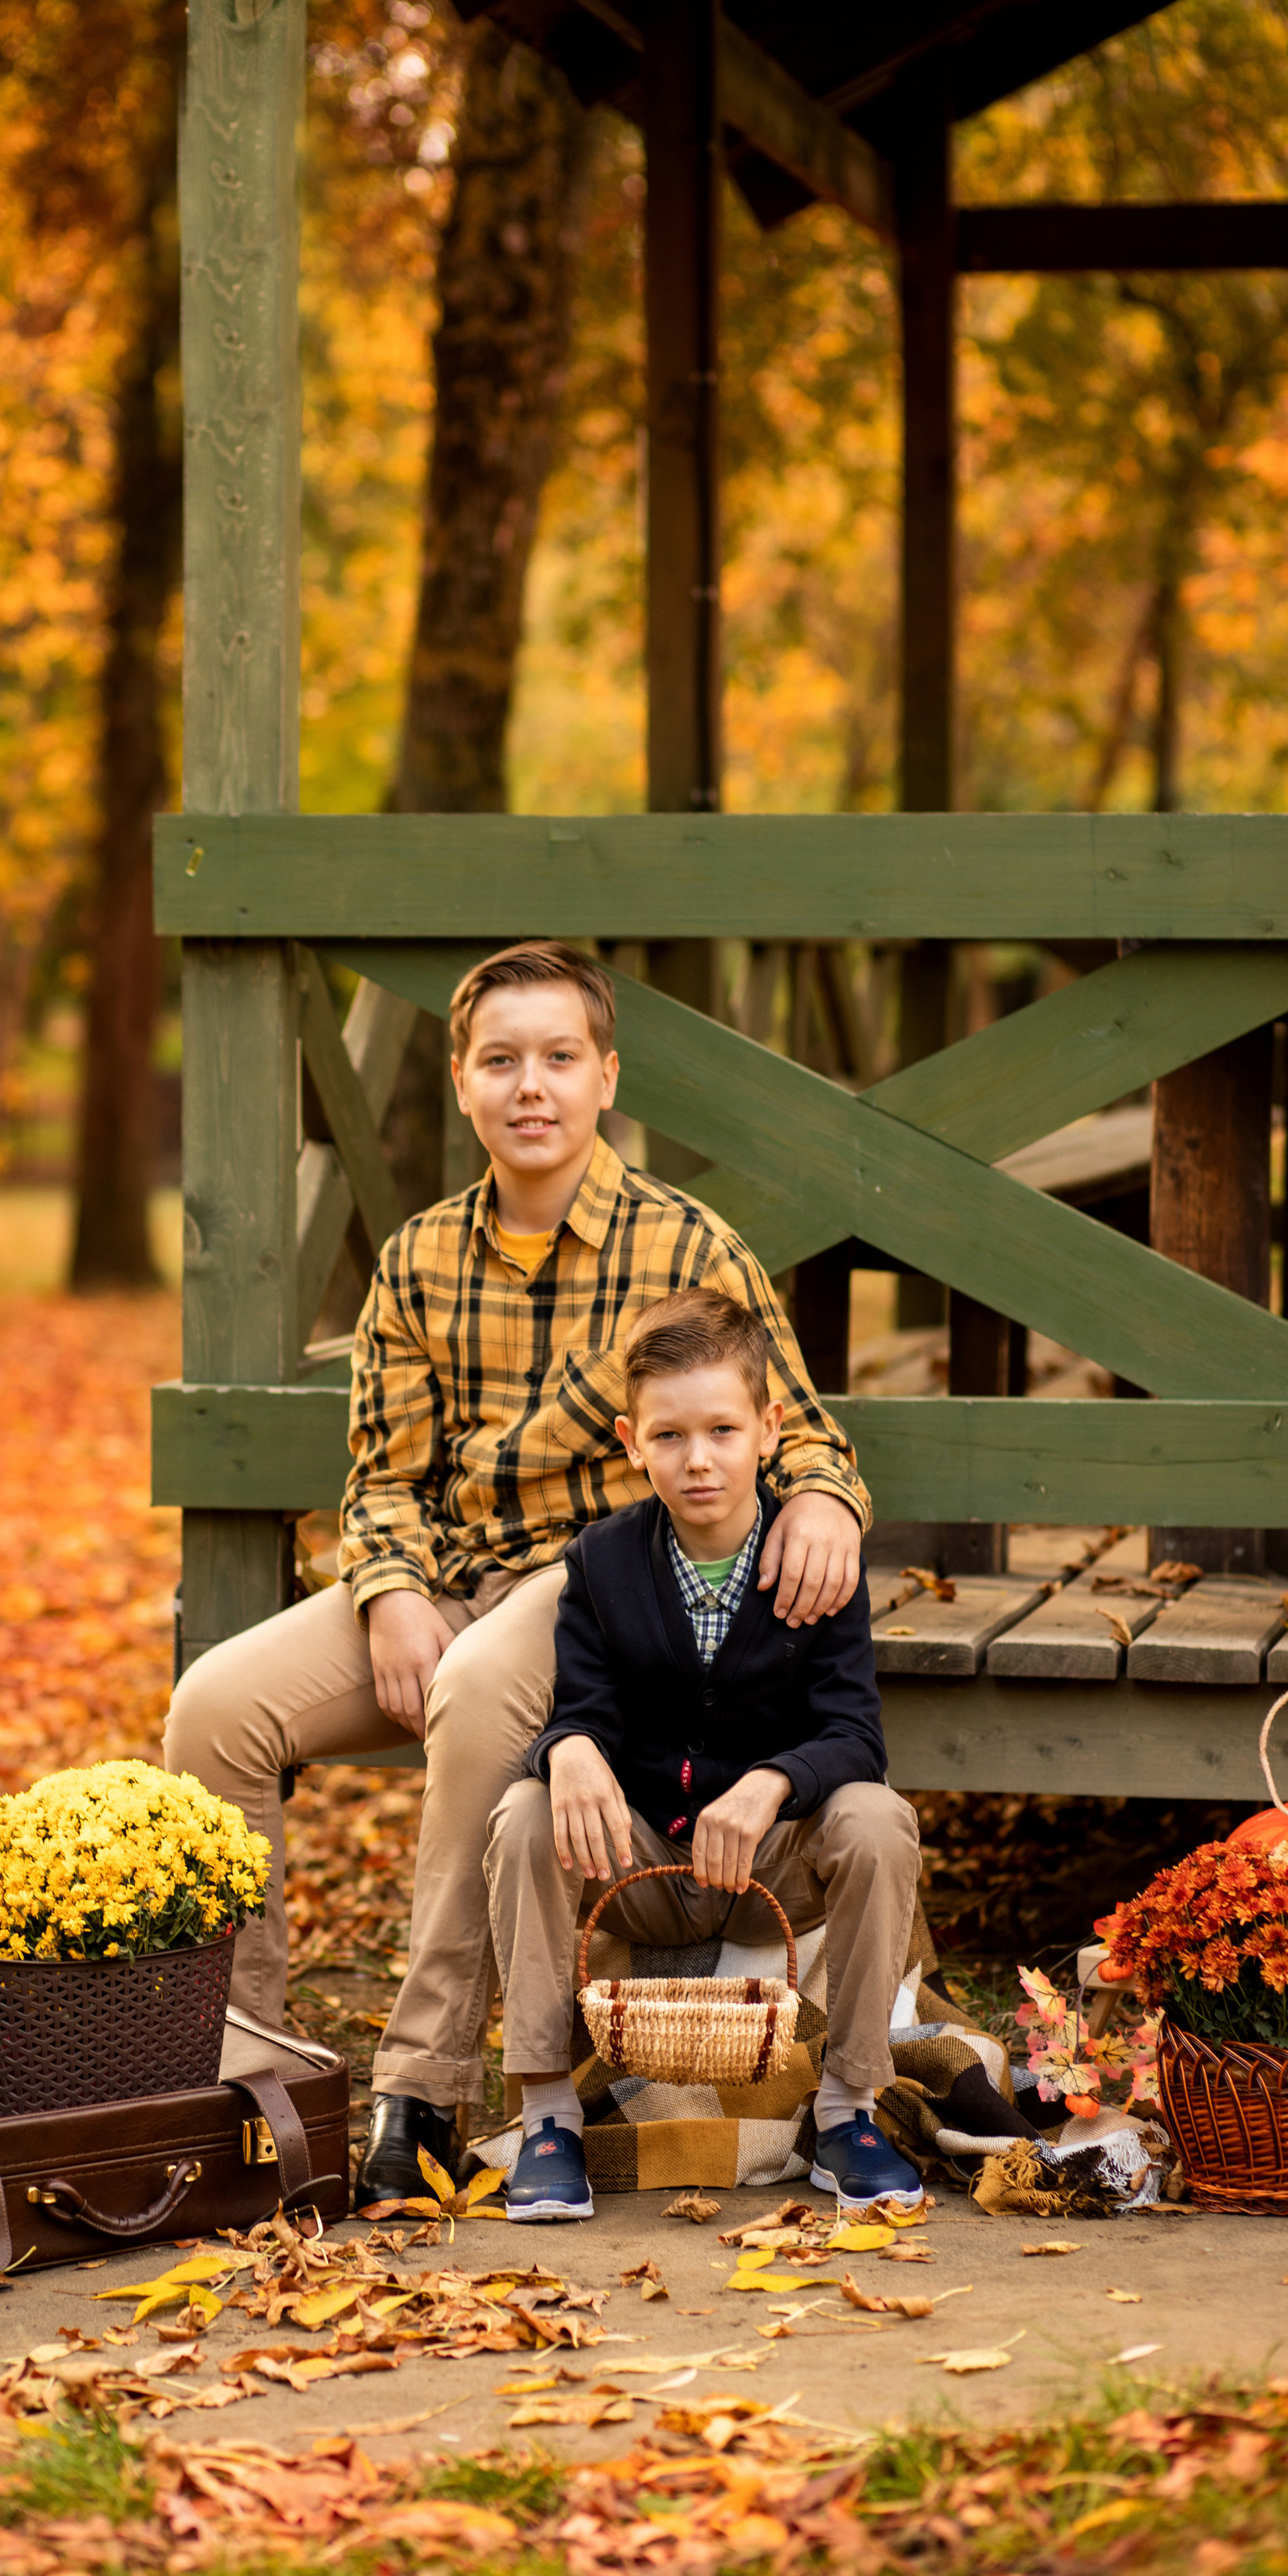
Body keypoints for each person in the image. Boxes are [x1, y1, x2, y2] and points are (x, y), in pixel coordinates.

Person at [164, 940, 872, 2209]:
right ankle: (246, 2070)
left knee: (485, 1683)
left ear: (607, 1077)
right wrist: (386, 1591)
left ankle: (422, 2087)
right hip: (438, 1574)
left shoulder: (687, 1246)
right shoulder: (419, 1260)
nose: (529, 1086)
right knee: (215, 1707)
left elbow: (799, 1425)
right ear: (460, 1081)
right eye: (502, 1061)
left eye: (558, 1058)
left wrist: (823, 1498)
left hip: (599, 1586)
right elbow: (382, 1476)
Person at [484, 1287, 923, 2224]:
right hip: (642, 1865)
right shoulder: (601, 1563)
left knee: (879, 1819)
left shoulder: (815, 1560)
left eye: (723, 1430)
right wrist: (565, 1751)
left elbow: (856, 1737)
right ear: (630, 1440)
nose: (699, 1460)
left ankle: (849, 2109)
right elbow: (585, 1708)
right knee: (524, 1808)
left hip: (774, 1862)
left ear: (769, 1430)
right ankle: (547, 2114)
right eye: (671, 1436)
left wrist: (772, 1783)